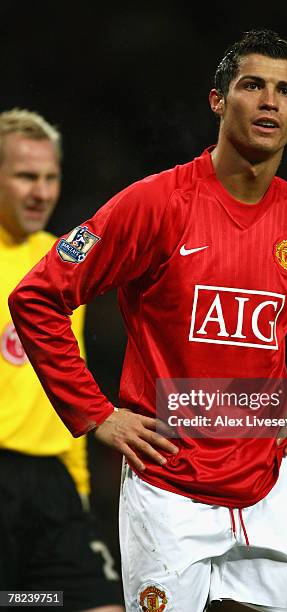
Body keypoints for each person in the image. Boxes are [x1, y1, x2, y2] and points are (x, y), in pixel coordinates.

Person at [8, 29, 287, 612]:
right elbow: (36, 298)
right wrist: (95, 413)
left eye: (284, 91)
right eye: (252, 85)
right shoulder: (155, 205)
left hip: (265, 480)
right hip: (167, 486)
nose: (268, 102)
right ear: (217, 100)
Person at [0, 108, 124, 611]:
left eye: (51, 178)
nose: (42, 192)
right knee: (20, 604)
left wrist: (79, 490)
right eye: (26, 176)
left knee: (92, 602)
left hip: (53, 486)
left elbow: (69, 383)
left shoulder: (61, 263)